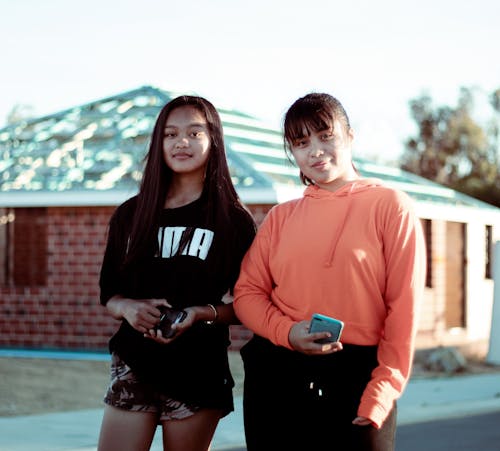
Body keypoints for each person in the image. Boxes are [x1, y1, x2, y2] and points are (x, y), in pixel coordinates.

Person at [233, 93, 427, 450]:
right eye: (302, 142)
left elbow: (404, 307)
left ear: (349, 136)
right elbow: (247, 294)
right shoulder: (280, 218)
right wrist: (288, 333)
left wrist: (383, 388)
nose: (315, 151)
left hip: (358, 377)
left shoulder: (391, 207)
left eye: (326, 136)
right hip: (277, 376)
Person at [97, 95, 256, 451]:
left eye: (194, 133)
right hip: (134, 362)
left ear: (213, 140)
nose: (181, 142)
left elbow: (249, 304)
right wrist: (128, 309)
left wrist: (201, 313)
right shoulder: (130, 214)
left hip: (197, 371)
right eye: (170, 134)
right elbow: (110, 293)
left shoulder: (233, 221)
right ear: (159, 143)